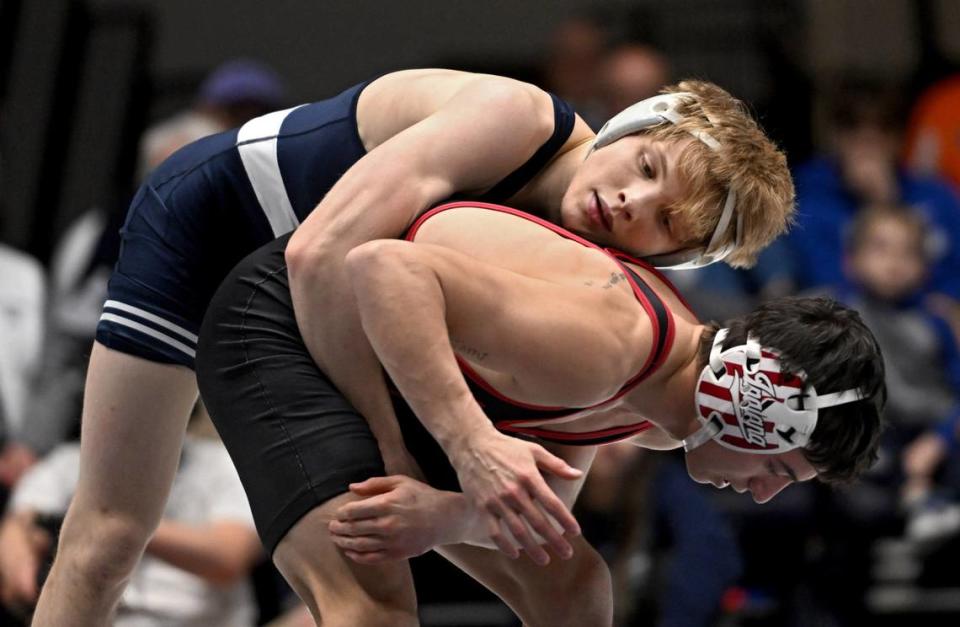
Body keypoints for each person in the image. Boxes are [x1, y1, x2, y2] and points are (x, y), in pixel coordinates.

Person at [34, 68, 794, 625]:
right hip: (217, 225)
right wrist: (406, 448)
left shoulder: (604, 276)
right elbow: (320, 255)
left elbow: (548, 466)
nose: (631, 203)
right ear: (630, 128)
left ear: (677, 259)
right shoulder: (517, 118)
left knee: (561, 581)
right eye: (647, 168)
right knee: (111, 532)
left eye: (665, 223)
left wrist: (446, 505)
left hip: (326, 305)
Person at [195, 200, 884, 626]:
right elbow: (386, 270)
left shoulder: (659, 405)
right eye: (780, 467)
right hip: (294, 320)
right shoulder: (612, 343)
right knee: (373, 609)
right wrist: (468, 446)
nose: (765, 491)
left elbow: (540, 503)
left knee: (576, 584)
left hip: (397, 369)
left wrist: (448, 513)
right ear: (752, 404)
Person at [0, 403, 262, 627]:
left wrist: (116, 524)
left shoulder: (219, 465)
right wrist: (26, 570)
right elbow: (16, 538)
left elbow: (228, 557)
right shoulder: (66, 465)